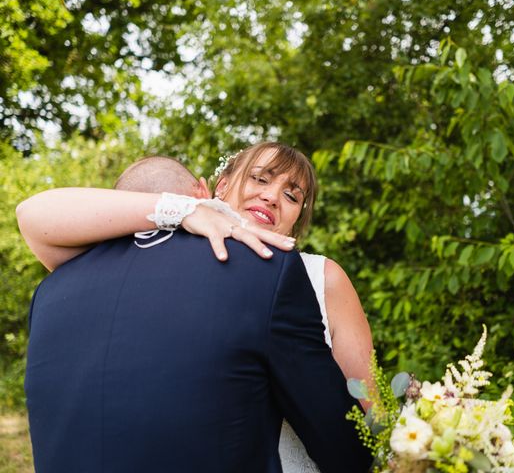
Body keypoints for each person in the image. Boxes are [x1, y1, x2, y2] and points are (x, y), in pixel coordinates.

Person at [17, 143, 373, 472]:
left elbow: (368, 401)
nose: (272, 196)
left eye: (292, 195)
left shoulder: (52, 289)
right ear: (213, 190)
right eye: (259, 178)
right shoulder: (270, 272)